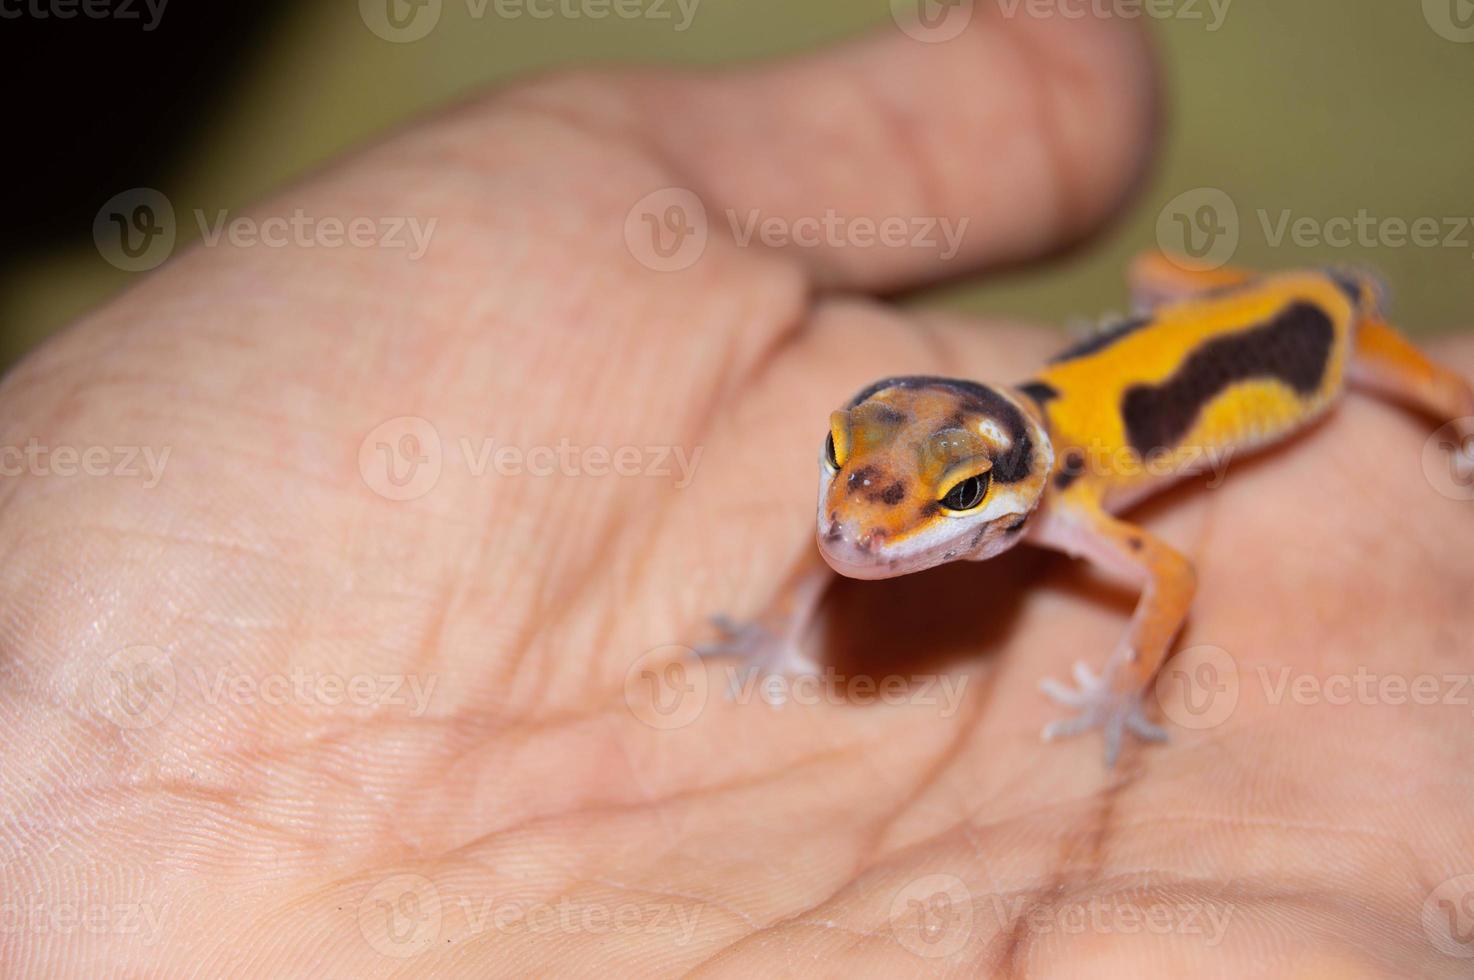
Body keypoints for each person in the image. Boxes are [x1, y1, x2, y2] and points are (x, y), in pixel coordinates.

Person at [4, 7, 1471, 974]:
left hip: (1293, 336)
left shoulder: (1090, 505)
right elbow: (833, 551)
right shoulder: (889, 502)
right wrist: (780, 631)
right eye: (857, 479)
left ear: (1010, 491)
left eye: (923, 505)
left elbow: (1175, 580)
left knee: (1372, 356)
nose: (859, 524)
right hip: (1125, 355)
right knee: (1157, 287)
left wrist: (1118, 692)